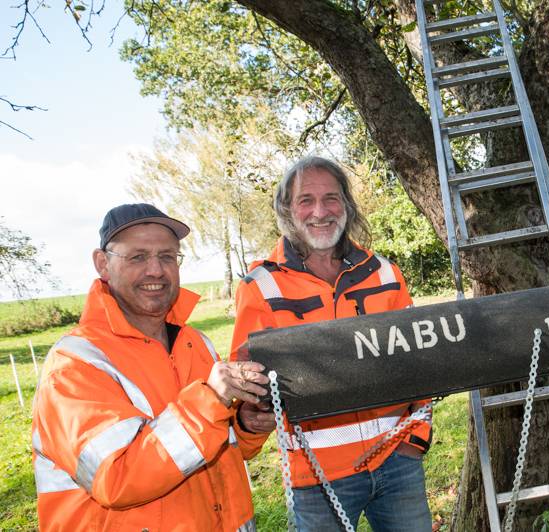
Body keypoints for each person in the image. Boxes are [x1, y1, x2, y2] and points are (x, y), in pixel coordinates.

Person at [32, 203, 271, 531]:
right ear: (102, 264)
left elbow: (218, 448)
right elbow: (116, 478)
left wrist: (247, 424)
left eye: (167, 256)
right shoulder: (75, 365)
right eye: (138, 257)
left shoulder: (196, 344)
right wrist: (210, 401)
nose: (156, 270)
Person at [231, 156, 433, 531]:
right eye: (306, 200)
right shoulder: (260, 286)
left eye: (331, 198)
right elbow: (247, 385)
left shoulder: (386, 274)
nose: (320, 211)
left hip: (397, 461)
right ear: (287, 209)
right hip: (315, 478)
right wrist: (249, 415)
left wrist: (415, 439)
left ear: (347, 204)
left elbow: (418, 361)